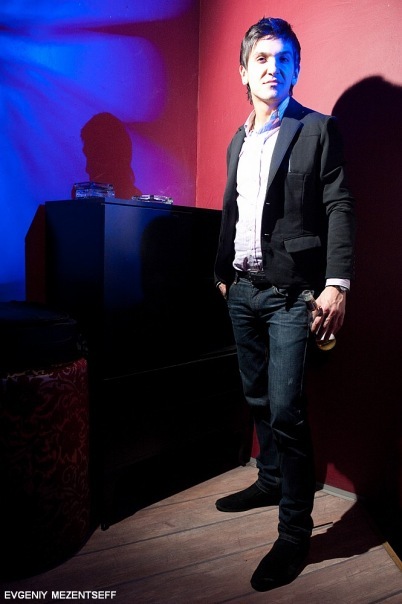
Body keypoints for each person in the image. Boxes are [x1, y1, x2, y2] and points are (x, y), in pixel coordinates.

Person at [214, 17, 355, 592]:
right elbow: (234, 211)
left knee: (287, 411)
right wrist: (222, 275)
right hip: (241, 289)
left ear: (296, 69)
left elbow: (339, 205)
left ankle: (295, 532)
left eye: (284, 59)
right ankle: (270, 479)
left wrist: (337, 284)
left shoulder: (318, 129)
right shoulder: (237, 140)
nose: (273, 68)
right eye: (262, 59)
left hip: (295, 294)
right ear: (244, 71)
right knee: (255, 396)